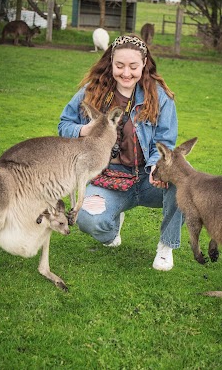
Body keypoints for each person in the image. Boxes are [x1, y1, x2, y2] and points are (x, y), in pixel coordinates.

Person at [58, 34, 183, 271]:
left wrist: (158, 164)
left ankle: (166, 246)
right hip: (107, 177)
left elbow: (165, 140)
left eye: (133, 66)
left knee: (185, 184)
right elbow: (64, 124)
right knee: (89, 220)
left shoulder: (159, 96)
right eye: (120, 66)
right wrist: (86, 129)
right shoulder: (92, 91)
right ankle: (112, 227)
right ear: (111, 63)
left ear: (144, 64)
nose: (126, 73)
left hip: (147, 177)